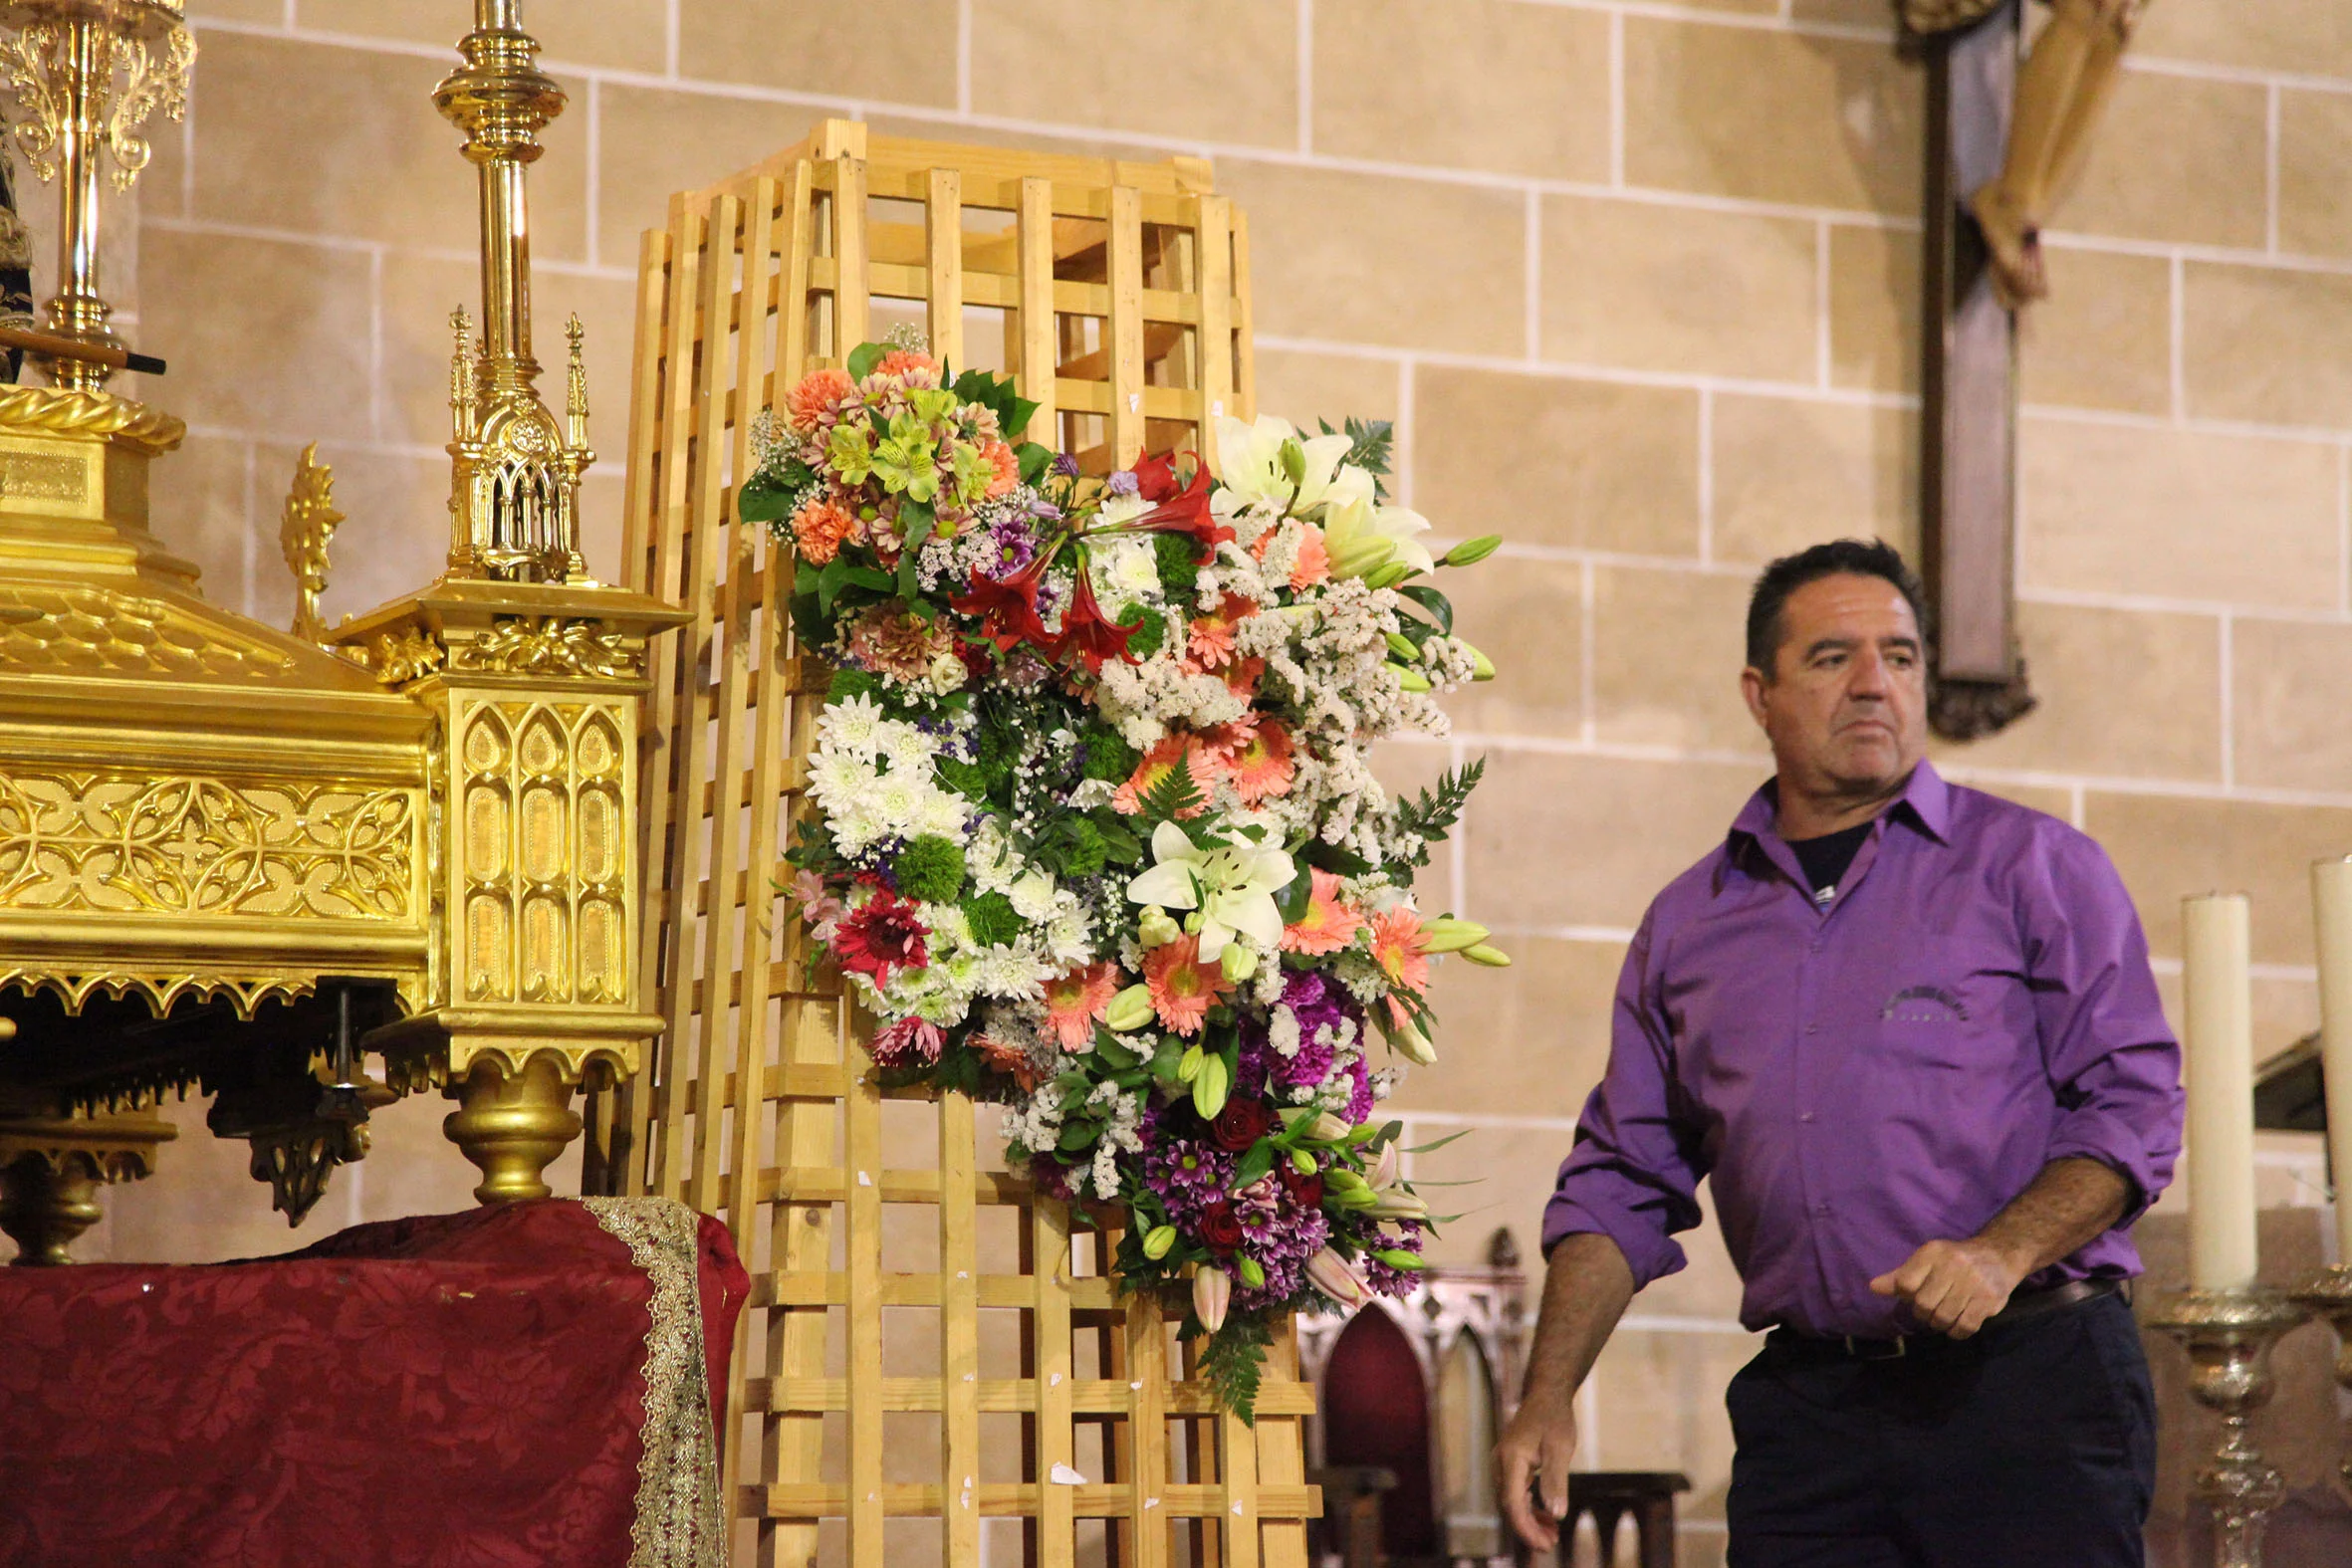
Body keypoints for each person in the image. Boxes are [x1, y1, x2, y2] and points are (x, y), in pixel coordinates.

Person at [1494, 539, 2183, 1566]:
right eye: (1831, 657)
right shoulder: (1688, 925)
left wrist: (1999, 1253)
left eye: (1899, 656)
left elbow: (2130, 1105)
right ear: (1757, 693)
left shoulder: (2035, 868)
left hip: (2029, 1390)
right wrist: (1546, 1396)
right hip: (1809, 1419)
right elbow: (1618, 1181)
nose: (1873, 683)